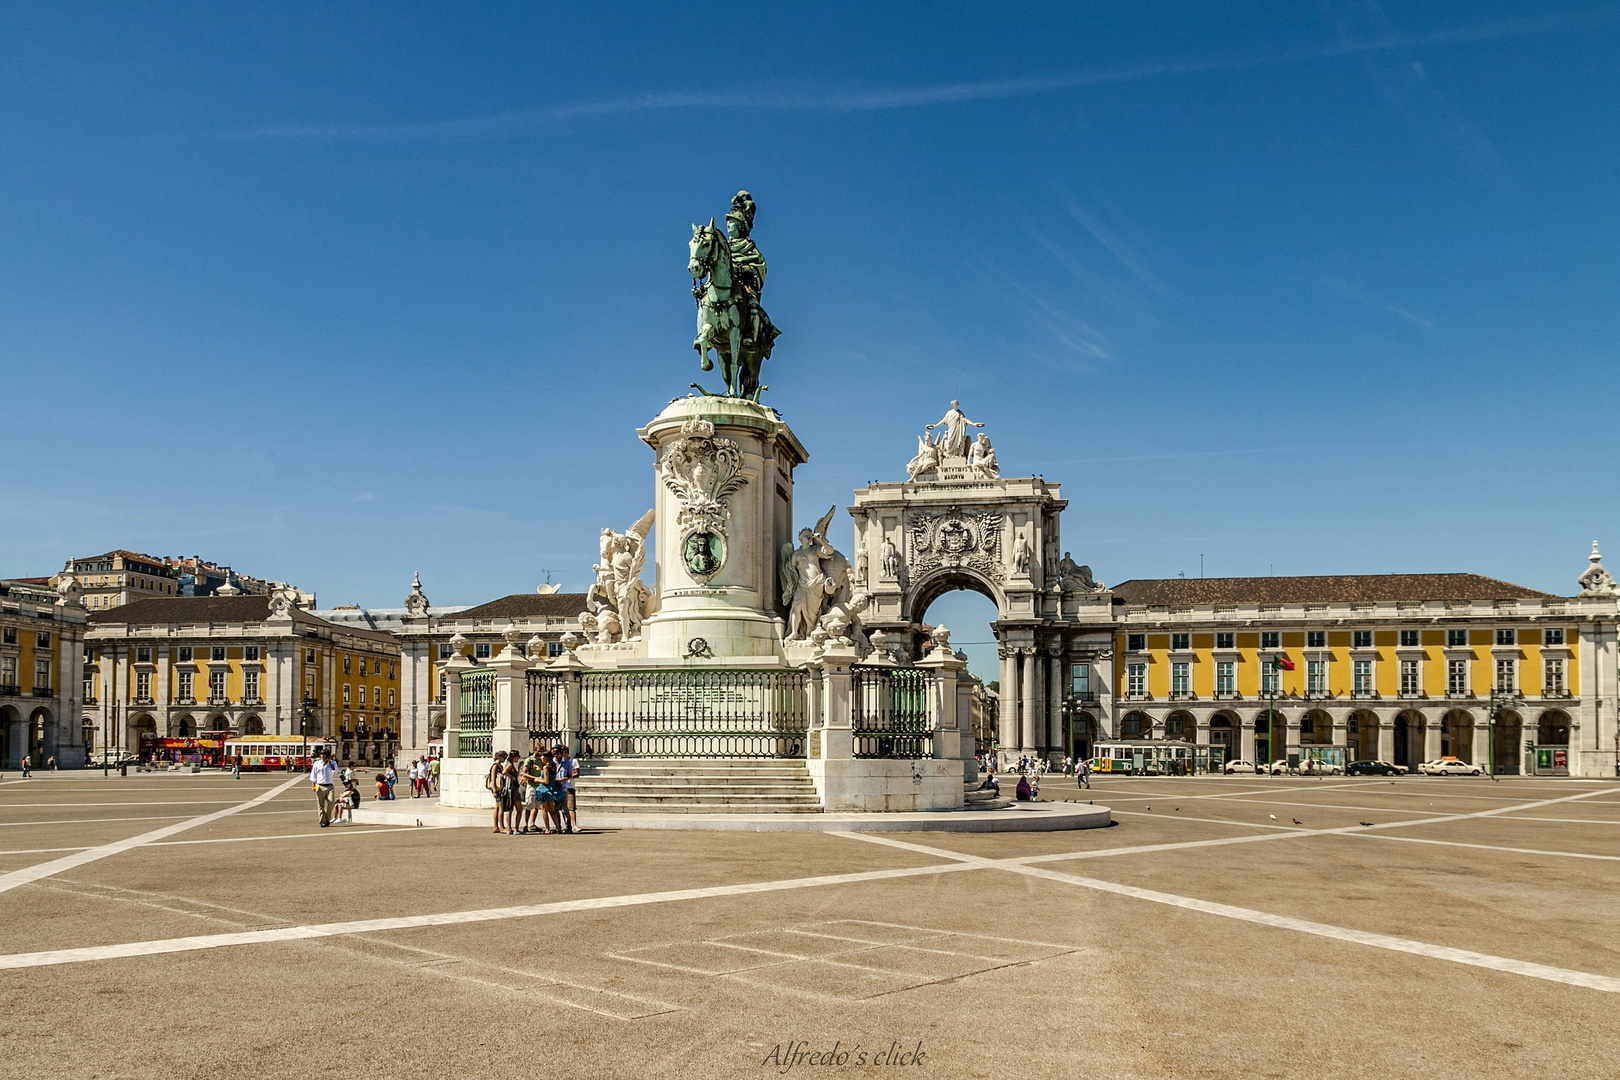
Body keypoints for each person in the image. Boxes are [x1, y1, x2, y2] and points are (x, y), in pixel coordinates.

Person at [310, 748, 338, 827]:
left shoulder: (333, 763)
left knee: (331, 802)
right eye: (322, 755)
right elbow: (313, 776)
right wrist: (313, 786)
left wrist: (329, 763)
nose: (323, 756)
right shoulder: (317, 763)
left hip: (330, 786)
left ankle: (327, 818)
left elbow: (335, 772)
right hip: (320, 786)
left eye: (325, 755)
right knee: (320, 805)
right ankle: (322, 821)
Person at [554, 743, 578, 834]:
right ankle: (558, 826)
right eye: (554, 754)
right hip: (555, 787)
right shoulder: (552, 762)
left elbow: (570, 774)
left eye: (557, 753)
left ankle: (568, 825)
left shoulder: (567, 763)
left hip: (564, 787)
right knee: (555, 808)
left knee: (565, 808)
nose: (556, 755)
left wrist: (565, 778)